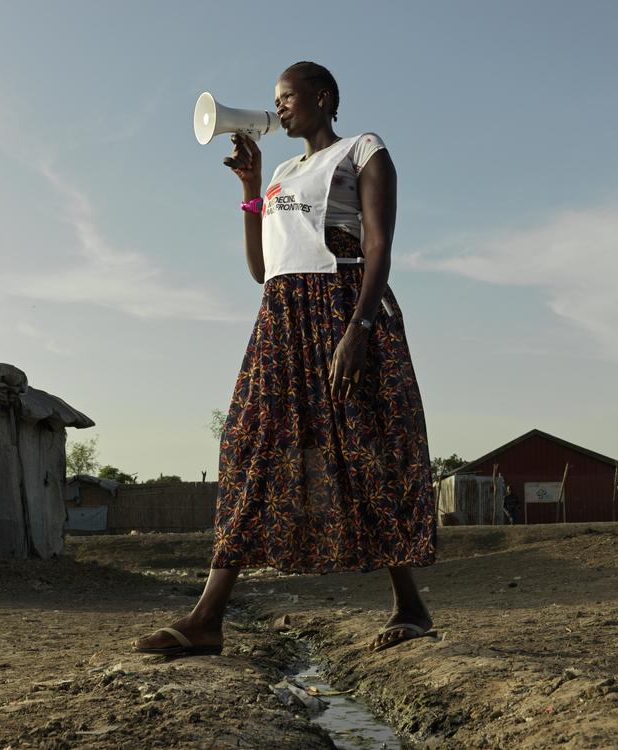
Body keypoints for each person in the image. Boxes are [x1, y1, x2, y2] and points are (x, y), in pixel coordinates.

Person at [133, 61, 436, 657]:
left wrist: (360, 329)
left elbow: (379, 245)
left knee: (364, 446)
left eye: (288, 96)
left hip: (344, 309)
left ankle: (410, 605)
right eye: (277, 98)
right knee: (247, 444)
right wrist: (250, 189)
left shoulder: (363, 150)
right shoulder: (282, 172)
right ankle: (208, 618)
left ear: (322, 97)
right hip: (282, 319)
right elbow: (261, 271)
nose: (280, 107)